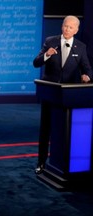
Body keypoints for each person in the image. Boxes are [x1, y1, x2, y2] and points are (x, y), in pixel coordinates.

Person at [33, 15, 93, 174]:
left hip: (69, 98)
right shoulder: (50, 41)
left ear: (76, 30)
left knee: (64, 132)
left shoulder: (81, 47)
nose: (67, 29)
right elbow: (36, 62)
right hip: (50, 93)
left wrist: (88, 77)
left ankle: (62, 164)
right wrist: (47, 55)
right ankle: (41, 163)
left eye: (70, 27)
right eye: (65, 26)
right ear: (62, 26)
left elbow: (87, 69)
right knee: (45, 130)